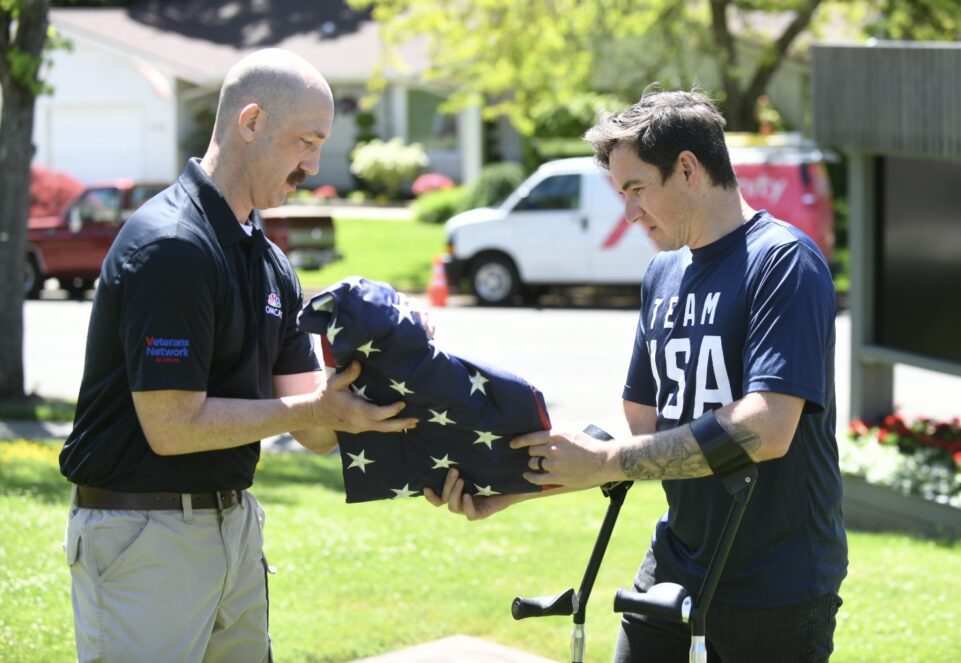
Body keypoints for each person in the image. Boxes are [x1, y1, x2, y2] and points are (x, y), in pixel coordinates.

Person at [426, 89, 847, 662]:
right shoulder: (663, 274)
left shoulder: (783, 263)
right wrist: (516, 479)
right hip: (675, 568)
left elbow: (767, 429)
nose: (628, 213)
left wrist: (609, 463)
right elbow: (638, 426)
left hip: (777, 585)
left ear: (688, 168)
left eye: (636, 189)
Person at [58, 48, 418, 662]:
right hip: (143, 535)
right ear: (250, 122)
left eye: (320, 144)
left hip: (234, 526)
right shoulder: (172, 246)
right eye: (305, 140)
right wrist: (311, 410)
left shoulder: (270, 262)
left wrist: (389, 372)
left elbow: (316, 432)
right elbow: (172, 428)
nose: (313, 163)